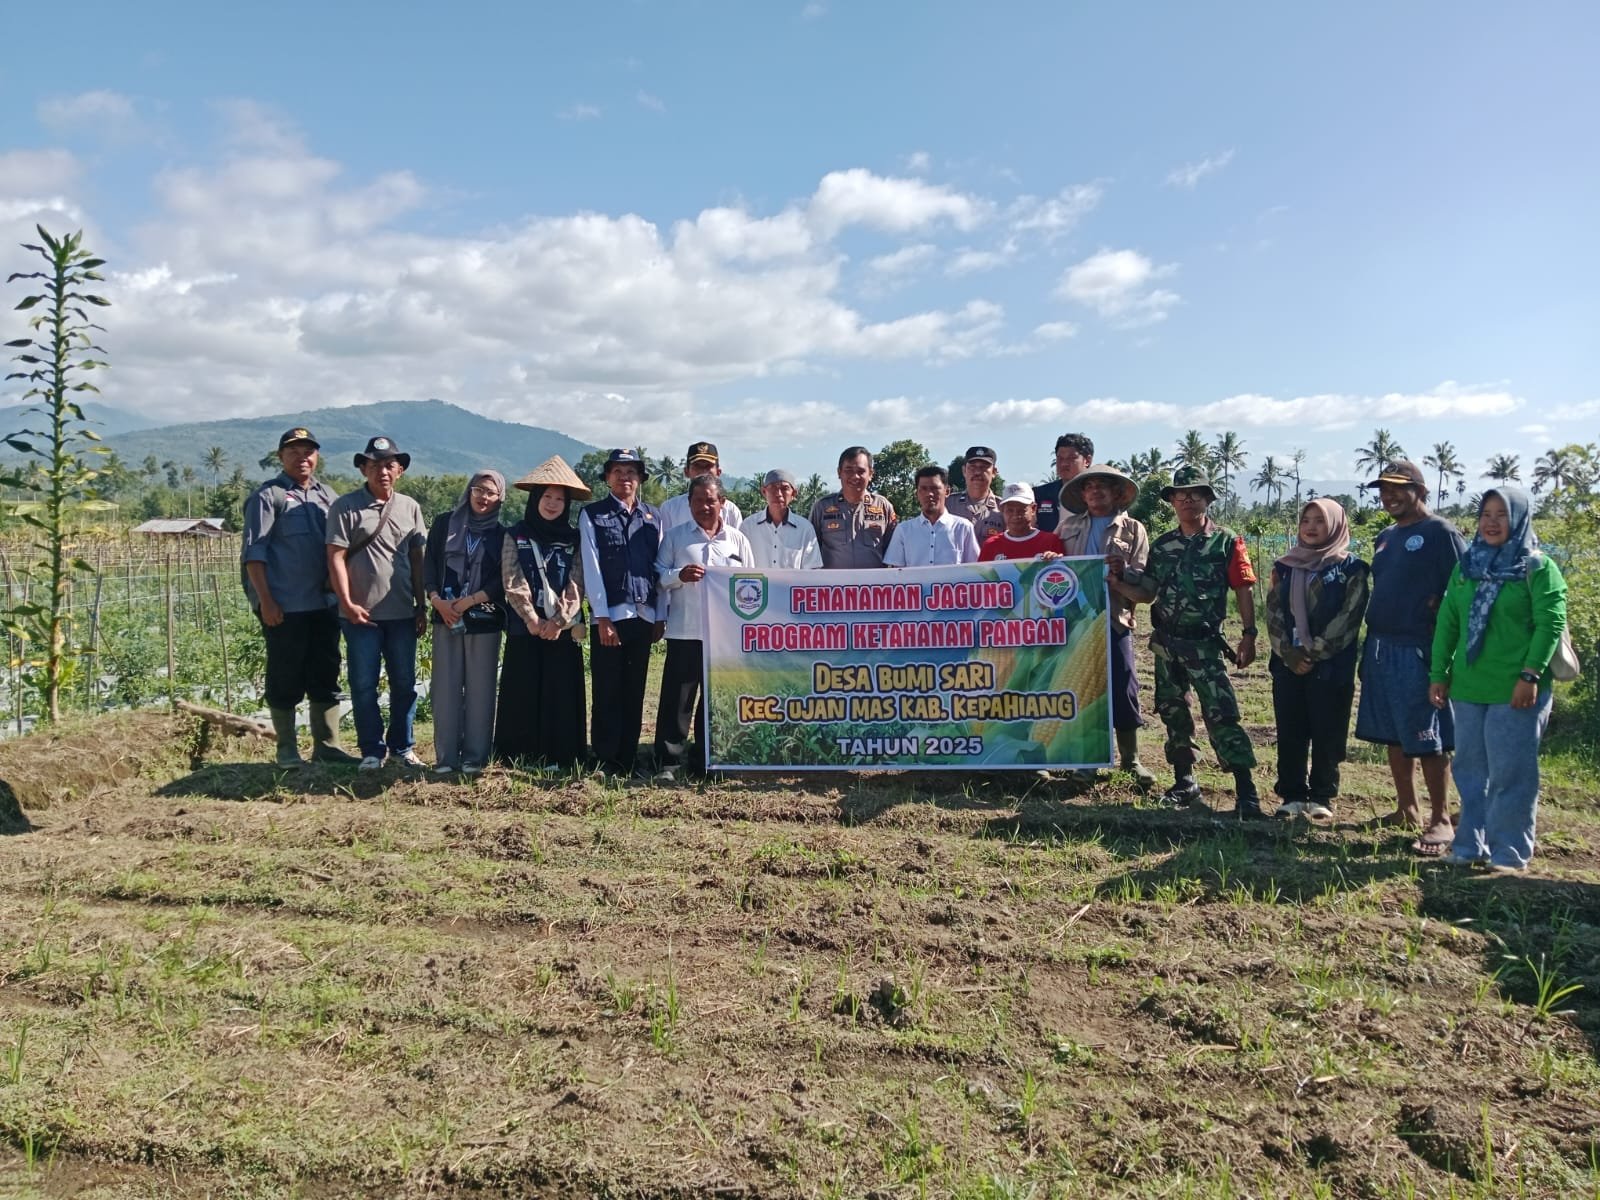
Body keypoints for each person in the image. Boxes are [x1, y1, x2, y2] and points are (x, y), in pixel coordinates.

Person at [1428, 487, 1567, 873]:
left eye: (1501, 515)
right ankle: (1470, 844)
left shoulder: (1537, 568)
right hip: (1470, 687)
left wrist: (1530, 673)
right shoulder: (1466, 567)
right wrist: (1440, 673)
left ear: (1519, 520)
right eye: (1486, 514)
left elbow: (1549, 623)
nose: (1491, 522)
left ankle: (1509, 853)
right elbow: (1448, 624)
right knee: (1470, 771)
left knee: (1511, 773)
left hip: (1516, 689)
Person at [1115, 465, 1261, 815]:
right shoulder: (1163, 545)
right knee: (1173, 713)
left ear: (1207, 499)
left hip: (1205, 645)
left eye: (1196, 494)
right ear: (1172, 501)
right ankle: (1185, 782)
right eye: (1181, 494)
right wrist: (1117, 584)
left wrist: (1250, 634)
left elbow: (1243, 588)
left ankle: (1246, 791)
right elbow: (1148, 592)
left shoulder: (1226, 541)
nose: (1188, 500)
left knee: (1222, 714)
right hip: (1167, 644)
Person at [1353, 460, 1467, 855]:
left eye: (1398, 488)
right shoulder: (1386, 536)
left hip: (1419, 647)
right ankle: (1407, 808)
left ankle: (1440, 819)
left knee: (1427, 734)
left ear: (1420, 489)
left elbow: (1463, 589)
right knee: (1394, 733)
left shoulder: (1441, 532)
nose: (1389, 495)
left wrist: (1443, 622)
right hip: (1382, 645)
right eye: (1383, 488)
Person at [241, 427, 358, 766]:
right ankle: (287, 749)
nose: (302, 457)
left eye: (308, 451)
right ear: (281, 457)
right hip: (286, 607)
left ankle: (328, 747)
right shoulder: (268, 497)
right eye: (293, 451)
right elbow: (254, 555)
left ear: (317, 456)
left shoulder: (328, 496)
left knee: (326, 672)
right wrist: (266, 601)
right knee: (285, 675)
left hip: (324, 604)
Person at [326, 436, 429, 770]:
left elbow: (417, 560)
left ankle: (402, 747)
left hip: (401, 612)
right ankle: (371, 750)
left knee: (404, 683)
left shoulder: (410, 507)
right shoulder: (345, 507)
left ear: (399, 470)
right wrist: (347, 602)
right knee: (363, 683)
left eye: (389, 465)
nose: (382, 472)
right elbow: (336, 558)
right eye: (374, 465)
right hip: (359, 615)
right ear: (362, 469)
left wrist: (421, 605)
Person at [1265, 500, 1371, 820]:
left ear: (1336, 526)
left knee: (1328, 729)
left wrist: (1314, 650)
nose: (1310, 527)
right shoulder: (1284, 566)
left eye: (1320, 521)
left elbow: (1350, 616)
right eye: (1305, 520)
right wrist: (1288, 651)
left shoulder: (1352, 568)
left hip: (1331, 664)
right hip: (1288, 664)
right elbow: (1272, 613)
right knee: (1291, 727)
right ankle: (1292, 794)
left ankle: (1322, 794)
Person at [653, 475, 755, 782]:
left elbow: (752, 582)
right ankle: (668, 763)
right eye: (698, 500)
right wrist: (679, 575)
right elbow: (657, 576)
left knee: (717, 700)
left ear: (722, 503)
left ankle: (709, 761)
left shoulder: (737, 540)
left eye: (711, 500)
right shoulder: (675, 537)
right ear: (689, 503)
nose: (704, 506)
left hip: (724, 636)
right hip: (686, 629)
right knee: (678, 700)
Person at [1061, 465, 1155, 785]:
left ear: (1117, 493)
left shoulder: (1133, 530)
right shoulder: (1067, 527)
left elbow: (1146, 586)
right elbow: (1056, 572)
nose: (1096, 491)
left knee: (1124, 687)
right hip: (1077, 621)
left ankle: (1131, 759)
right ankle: (1088, 759)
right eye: (1090, 487)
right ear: (1082, 494)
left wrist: (1123, 572)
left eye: (1103, 486)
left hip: (1115, 617)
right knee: (1084, 691)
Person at [496, 456, 591, 770]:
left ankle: (559, 755)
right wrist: (533, 619)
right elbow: (512, 578)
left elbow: (577, 580)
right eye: (547, 497)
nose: (553, 504)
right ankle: (519, 756)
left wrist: (559, 621)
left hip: (561, 630)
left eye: (559, 499)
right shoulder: (516, 534)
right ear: (536, 498)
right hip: (526, 628)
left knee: (559, 692)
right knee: (522, 690)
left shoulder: (574, 538)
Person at [579, 448, 665, 777]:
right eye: (618, 471)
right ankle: (603, 758)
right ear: (607, 478)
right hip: (611, 618)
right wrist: (601, 616)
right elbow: (592, 566)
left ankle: (628, 758)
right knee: (606, 688)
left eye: (631, 472)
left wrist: (660, 615)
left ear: (640, 478)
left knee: (634, 689)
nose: (625, 478)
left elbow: (659, 568)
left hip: (643, 616)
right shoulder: (593, 515)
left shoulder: (653, 517)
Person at [423, 470, 509, 775]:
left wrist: (470, 601)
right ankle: (446, 758)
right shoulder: (445, 524)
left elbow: (502, 580)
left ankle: (475, 757)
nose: (483, 498)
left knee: (481, 690)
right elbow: (430, 565)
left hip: (484, 620)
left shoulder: (501, 534)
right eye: (479, 490)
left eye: (491, 493)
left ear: (500, 498)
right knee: (444, 689)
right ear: (469, 491)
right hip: (445, 616)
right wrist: (438, 601)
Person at [810, 446, 898, 568]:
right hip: (833, 585)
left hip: (874, 585)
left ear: (871, 474)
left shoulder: (883, 507)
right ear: (839, 472)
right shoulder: (822, 507)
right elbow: (811, 552)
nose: (855, 476)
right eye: (848, 470)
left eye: (861, 471)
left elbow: (895, 553)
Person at [883, 466, 981, 566]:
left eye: (934, 488)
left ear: (947, 491)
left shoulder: (963, 528)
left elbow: (975, 569)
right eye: (923, 489)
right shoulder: (903, 530)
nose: (929, 494)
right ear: (917, 493)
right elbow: (896, 572)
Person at [746, 468, 823, 569]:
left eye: (784, 488)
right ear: (764, 492)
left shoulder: (805, 529)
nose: (778, 494)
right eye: (773, 488)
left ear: (794, 494)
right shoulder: (748, 526)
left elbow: (812, 570)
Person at [658, 441, 743, 531]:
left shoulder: (731, 511)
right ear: (686, 472)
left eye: (708, 466)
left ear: (718, 472)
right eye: (697, 466)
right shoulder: (670, 509)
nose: (703, 472)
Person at [978, 482, 1063, 562]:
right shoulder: (990, 545)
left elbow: (1065, 572)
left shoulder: (1051, 541)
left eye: (1021, 510)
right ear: (1002, 510)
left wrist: (1056, 561)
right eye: (1010, 510)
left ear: (1033, 509)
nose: (1015, 515)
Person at [1034, 433, 1093, 534]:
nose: (1064, 464)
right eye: (1060, 458)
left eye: (1071, 458)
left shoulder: (1098, 495)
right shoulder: (1039, 494)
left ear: (1087, 460)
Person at [947, 445, 1006, 541]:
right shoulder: (948, 504)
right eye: (972, 467)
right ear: (964, 471)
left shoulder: (1003, 508)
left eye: (984, 467)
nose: (977, 472)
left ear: (994, 472)